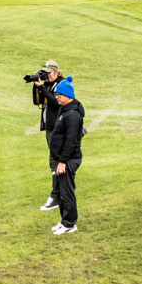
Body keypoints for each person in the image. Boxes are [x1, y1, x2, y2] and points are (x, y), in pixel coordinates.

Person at [45, 76, 84, 235]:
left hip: (68, 160)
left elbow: (71, 141)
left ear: (68, 95)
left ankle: (70, 224)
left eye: (59, 95)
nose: (57, 97)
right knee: (61, 192)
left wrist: (62, 161)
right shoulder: (65, 110)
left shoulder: (73, 115)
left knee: (67, 192)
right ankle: (64, 221)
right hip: (62, 159)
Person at [33, 59, 66, 211]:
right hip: (50, 128)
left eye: (49, 72)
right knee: (54, 161)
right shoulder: (48, 84)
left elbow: (54, 102)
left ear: (57, 72)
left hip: (58, 128)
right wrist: (37, 86)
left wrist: (43, 88)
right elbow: (37, 102)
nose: (48, 75)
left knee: (56, 160)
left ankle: (57, 195)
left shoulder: (62, 84)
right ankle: (58, 194)